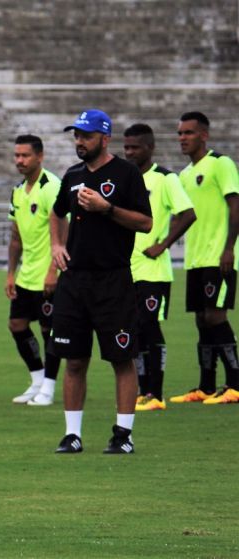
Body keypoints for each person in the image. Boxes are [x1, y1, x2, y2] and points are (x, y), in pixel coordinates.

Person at [49, 109, 152, 454]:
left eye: (86, 135)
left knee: (121, 359)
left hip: (113, 279)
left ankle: (123, 435)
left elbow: (145, 223)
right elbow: (56, 211)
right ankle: (72, 435)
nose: (79, 141)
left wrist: (107, 208)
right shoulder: (73, 174)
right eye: (76, 135)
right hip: (74, 281)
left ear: (104, 138)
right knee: (74, 360)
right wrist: (57, 244)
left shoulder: (126, 174)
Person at [122, 123, 196, 412]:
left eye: (134, 147)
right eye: (126, 147)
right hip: (128, 270)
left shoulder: (165, 179)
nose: (129, 152)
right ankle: (142, 391)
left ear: (149, 148)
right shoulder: (125, 179)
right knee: (135, 329)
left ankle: (156, 393)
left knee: (149, 326)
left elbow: (188, 214)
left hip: (154, 271)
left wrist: (163, 244)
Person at [170, 111, 239, 405]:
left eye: (189, 133)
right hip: (196, 259)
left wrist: (228, 248)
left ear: (204, 135)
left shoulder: (221, 164)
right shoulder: (184, 175)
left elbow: (235, 207)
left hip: (218, 255)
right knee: (201, 319)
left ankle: (235, 385)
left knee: (215, 315)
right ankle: (206, 386)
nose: (183, 138)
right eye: (180, 134)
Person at [6, 134, 62, 406]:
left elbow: (65, 230)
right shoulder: (17, 191)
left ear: (39, 156)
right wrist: (10, 274)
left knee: (48, 329)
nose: (19, 160)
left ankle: (49, 389)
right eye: (17, 155)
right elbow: (15, 237)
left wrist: (54, 269)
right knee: (16, 325)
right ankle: (38, 380)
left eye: (25, 155)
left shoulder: (52, 186)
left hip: (49, 275)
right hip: (26, 275)